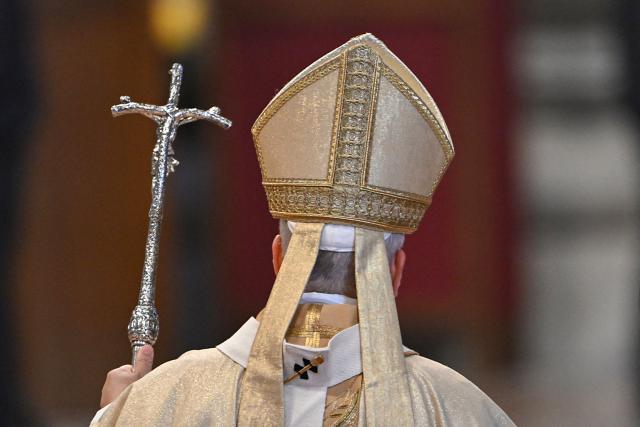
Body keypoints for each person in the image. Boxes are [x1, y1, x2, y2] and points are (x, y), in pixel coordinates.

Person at [92, 33, 515, 426]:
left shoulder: (168, 400)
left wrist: (118, 413)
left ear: (279, 258)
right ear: (394, 274)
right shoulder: (457, 409)